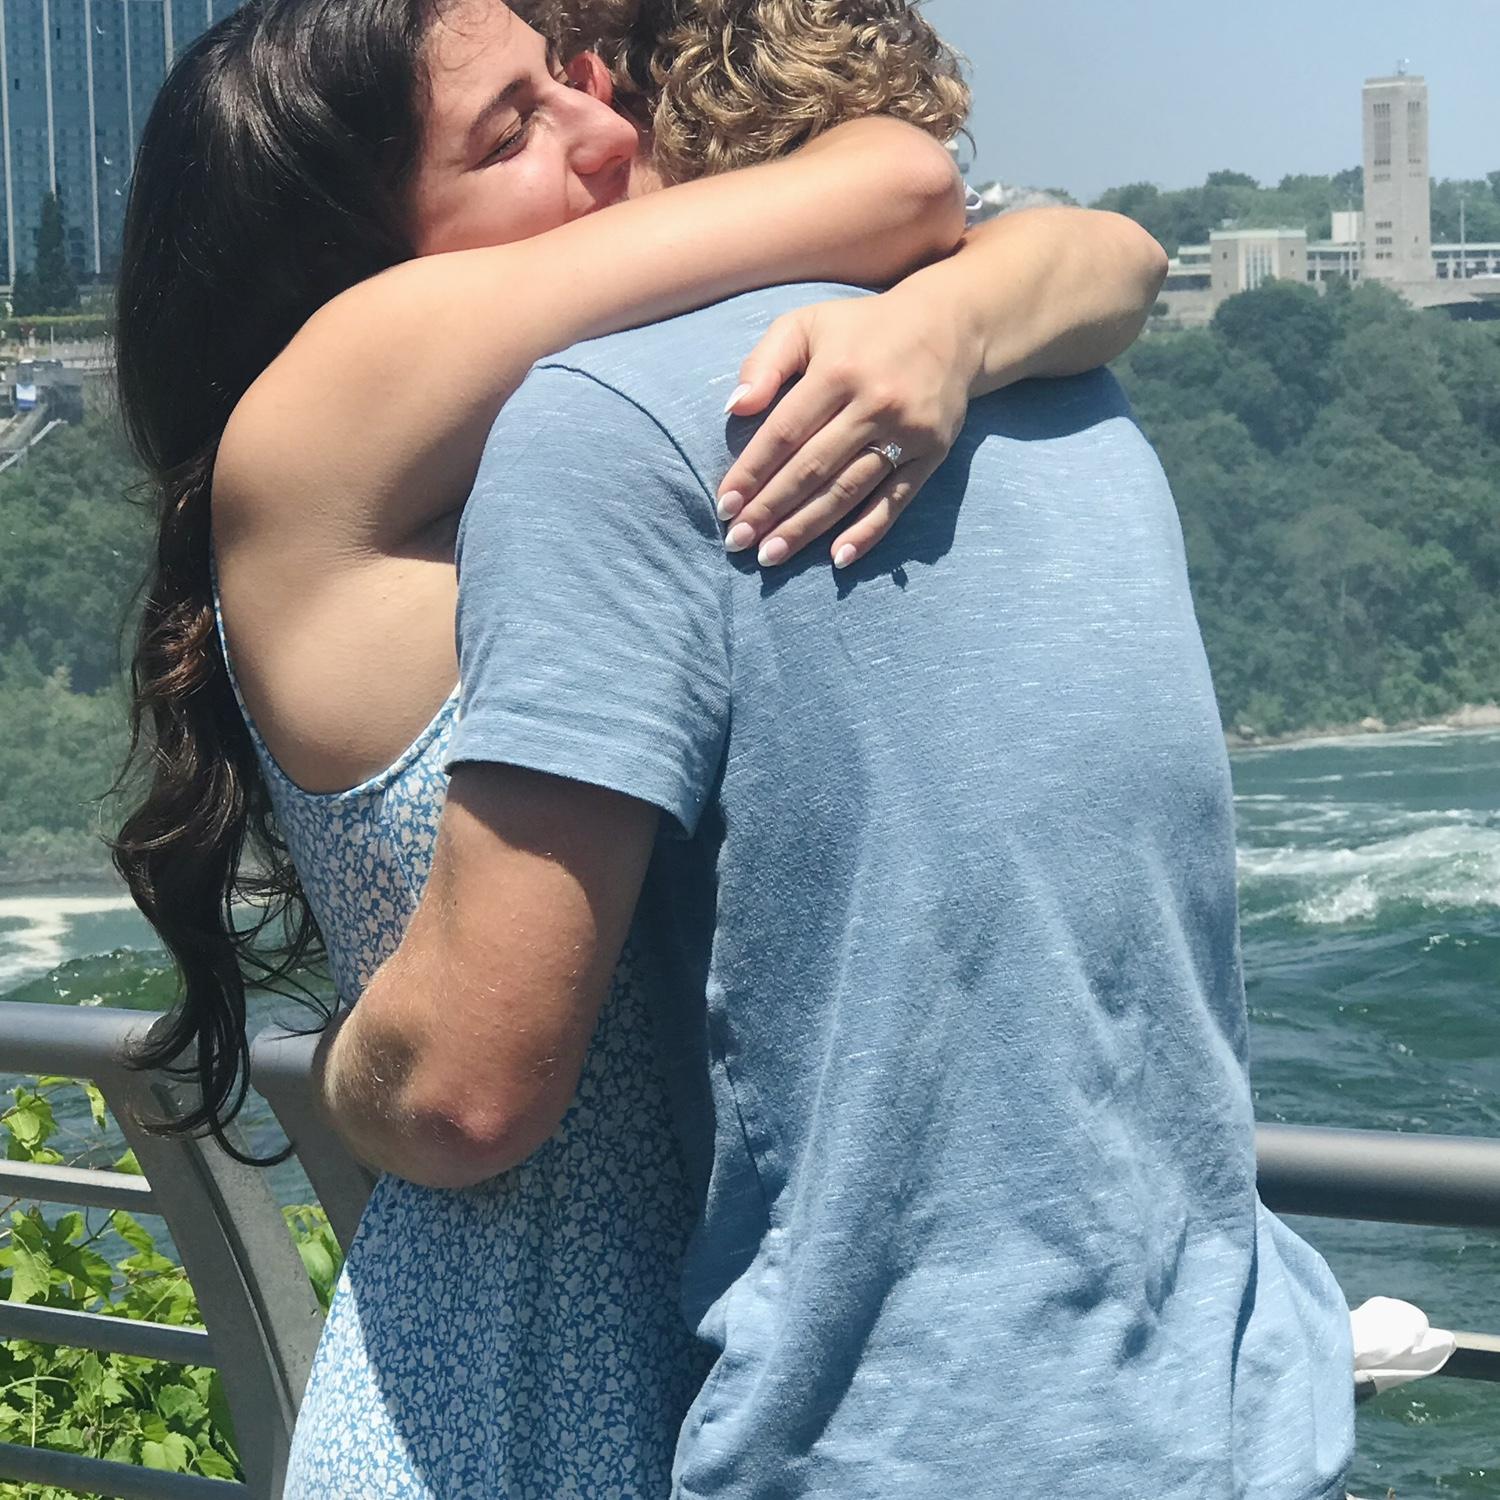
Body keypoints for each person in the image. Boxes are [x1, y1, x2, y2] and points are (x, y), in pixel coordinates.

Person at [111, 0, 1171, 1492]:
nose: (610, 129)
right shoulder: (336, 384)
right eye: (512, 132)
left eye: (570, 80)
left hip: (739, 1359)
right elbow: (899, 184)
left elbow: (1107, 257)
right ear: (346, 248)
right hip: (516, 1391)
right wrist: (350, 1075)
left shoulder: (584, 433)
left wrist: (952, 322)